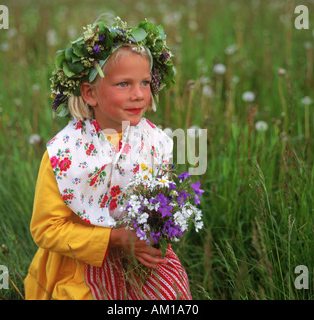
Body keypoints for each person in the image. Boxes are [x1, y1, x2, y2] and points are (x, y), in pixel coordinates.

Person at [24, 16, 191, 300]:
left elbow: (158, 202)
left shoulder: (155, 142)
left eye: (145, 82)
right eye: (123, 84)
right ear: (90, 93)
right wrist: (114, 239)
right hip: (82, 261)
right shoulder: (64, 153)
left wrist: (158, 230)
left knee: (170, 295)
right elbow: (46, 229)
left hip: (139, 254)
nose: (139, 95)